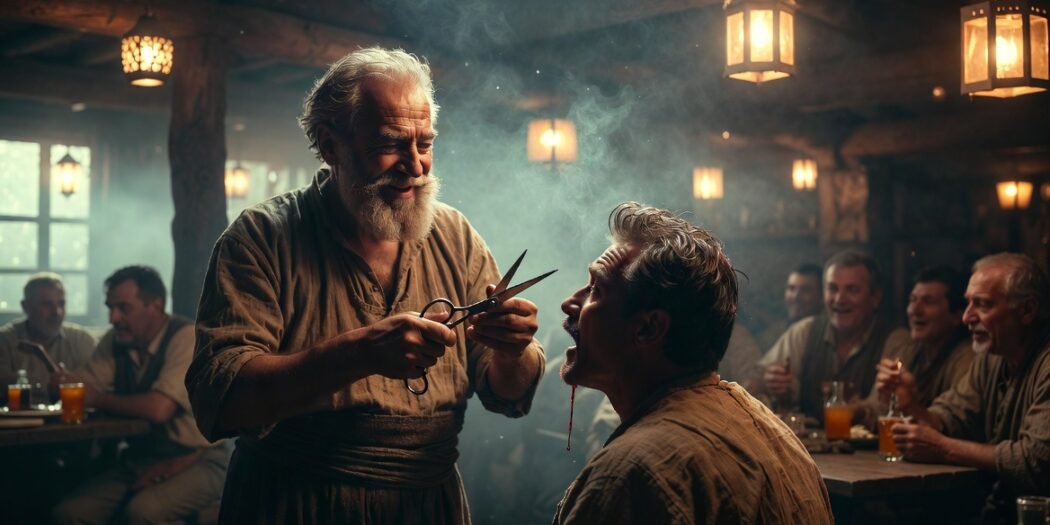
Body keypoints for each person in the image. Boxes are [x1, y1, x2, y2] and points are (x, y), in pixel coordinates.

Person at [186, 47, 545, 524]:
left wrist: (511, 350)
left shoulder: (454, 235)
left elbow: (507, 395)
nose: (415, 165)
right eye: (389, 144)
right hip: (295, 505)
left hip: (426, 505)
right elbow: (220, 401)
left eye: (425, 144)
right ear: (330, 145)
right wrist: (360, 353)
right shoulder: (261, 238)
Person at [553, 202, 833, 524]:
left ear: (648, 328)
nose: (569, 303)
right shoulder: (779, 437)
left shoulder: (629, 475)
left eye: (596, 290)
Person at [51, 266, 228, 525]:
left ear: (155, 306)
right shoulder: (117, 340)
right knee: (69, 514)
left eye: (123, 308)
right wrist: (60, 383)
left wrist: (97, 398)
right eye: (110, 307)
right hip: (141, 459)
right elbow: (83, 385)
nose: (113, 318)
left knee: (141, 512)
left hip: (200, 459)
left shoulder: (186, 339)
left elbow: (159, 409)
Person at [891, 253, 1050, 524]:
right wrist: (913, 406)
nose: (966, 317)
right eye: (968, 303)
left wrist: (942, 448)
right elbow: (953, 416)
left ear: (1027, 311)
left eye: (983, 304)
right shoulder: (991, 358)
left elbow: (1035, 462)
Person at [754, 251, 910, 421]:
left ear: (875, 298)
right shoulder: (805, 331)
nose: (840, 299)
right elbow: (754, 381)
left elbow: (886, 406)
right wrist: (769, 381)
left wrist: (858, 410)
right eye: (833, 288)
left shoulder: (895, 340)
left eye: (852, 290)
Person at [874, 265, 973, 412]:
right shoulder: (908, 350)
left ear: (957, 316)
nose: (915, 310)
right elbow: (877, 406)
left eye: (928, 301)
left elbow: (953, 419)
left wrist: (911, 403)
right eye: (912, 300)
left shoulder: (967, 359)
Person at [0, 272, 95, 390]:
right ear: (26, 307)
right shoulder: (5, 341)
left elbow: (95, 388)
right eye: (47, 304)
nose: (57, 312)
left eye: (61, 304)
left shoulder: (82, 340)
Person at [756, 263, 823, 352]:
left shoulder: (826, 336)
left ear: (822, 296)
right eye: (791, 288)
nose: (796, 297)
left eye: (805, 290)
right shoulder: (771, 336)